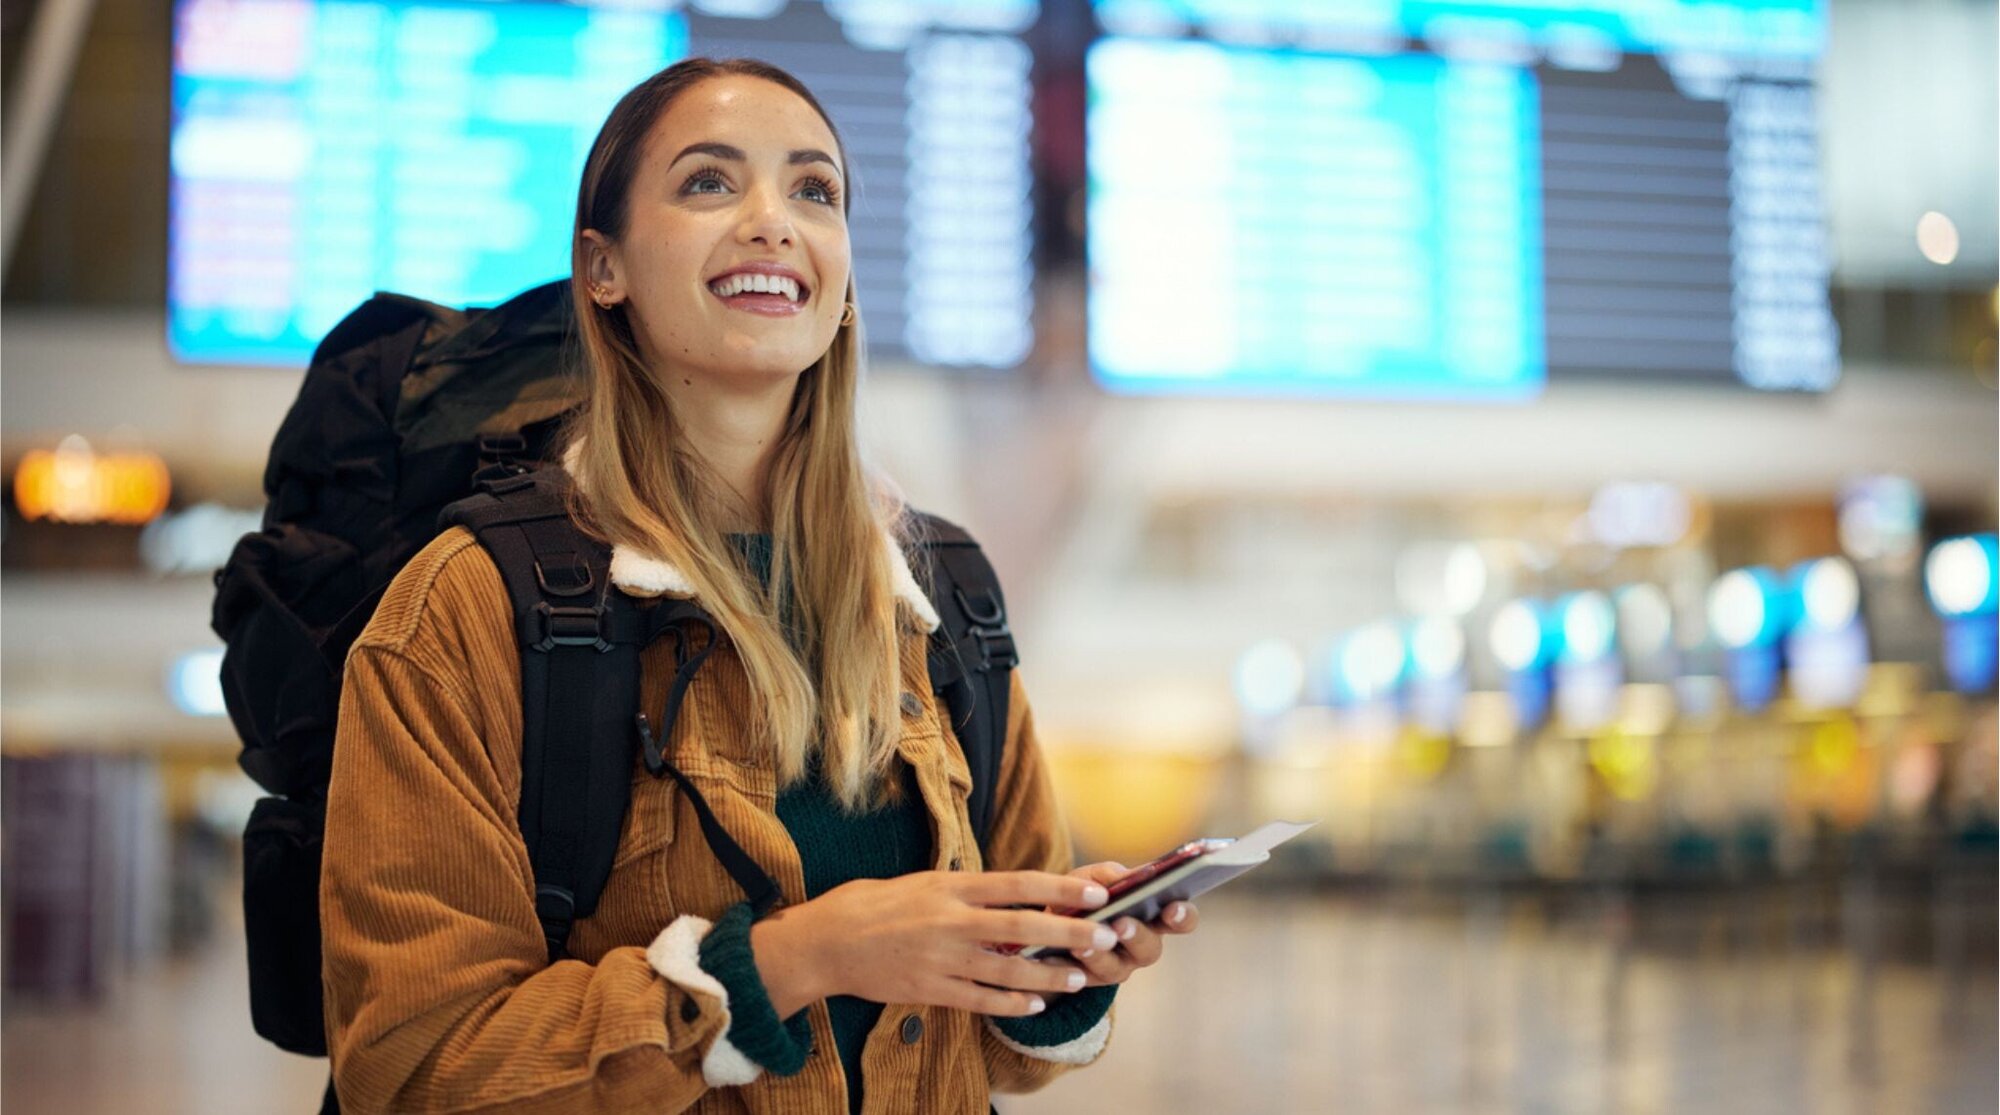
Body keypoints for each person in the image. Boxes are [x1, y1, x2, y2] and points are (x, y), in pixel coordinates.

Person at [319, 57, 1199, 1114]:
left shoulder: (938, 595)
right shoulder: (467, 611)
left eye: (812, 190)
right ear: (603, 267)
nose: (771, 221)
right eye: (707, 182)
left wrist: (1064, 960)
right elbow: (414, 1067)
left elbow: (997, 1052)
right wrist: (792, 959)